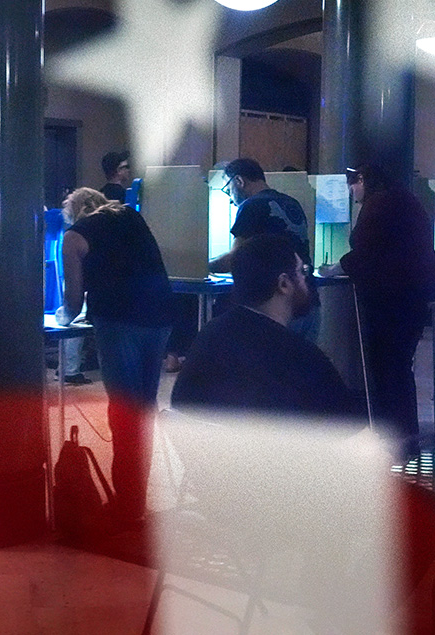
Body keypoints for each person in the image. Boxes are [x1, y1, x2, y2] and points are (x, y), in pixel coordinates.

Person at [57, 187, 173, 526]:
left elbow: (74, 301)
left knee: (124, 410)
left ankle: (127, 502)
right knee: (144, 407)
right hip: (160, 315)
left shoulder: (74, 236)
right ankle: (137, 496)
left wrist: (63, 315)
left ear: (75, 211)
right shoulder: (131, 216)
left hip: (118, 319)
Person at [319, 165, 435, 456]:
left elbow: (366, 252)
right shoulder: (403, 199)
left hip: (394, 297)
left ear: (363, 179)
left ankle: (396, 438)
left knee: (389, 369)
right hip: (413, 293)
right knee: (399, 368)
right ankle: (405, 436)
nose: (351, 191)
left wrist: (335, 268)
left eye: (353, 183)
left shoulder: (380, 205)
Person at [173, 235, 361, 418]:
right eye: (302, 272)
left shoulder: (209, 335)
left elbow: (180, 404)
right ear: (284, 284)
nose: (306, 280)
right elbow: (343, 420)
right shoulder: (301, 357)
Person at [209, 158, 319, 341]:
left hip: (275, 308)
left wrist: (203, 267)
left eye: (227, 189)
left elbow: (234, 259)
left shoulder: (251, 206)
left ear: (239, 181)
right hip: (308, 302)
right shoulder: (292, 203)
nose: (229, 198)